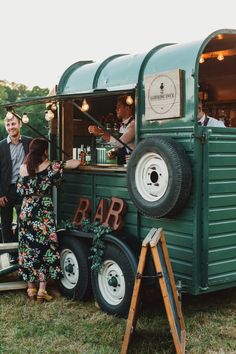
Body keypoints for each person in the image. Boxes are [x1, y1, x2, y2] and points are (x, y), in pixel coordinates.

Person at [16, 137, 81, 302]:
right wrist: (77, 158)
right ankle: (42, 290)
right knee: (45, 248)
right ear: (44, 151)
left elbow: (19, 190)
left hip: (27, 209)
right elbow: (75, 164)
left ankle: (31, 287)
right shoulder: (51, 166)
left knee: (27, 248)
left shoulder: (24, 168)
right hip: (43, 210)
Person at [0, 114, 32, 244]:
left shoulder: (29, 142)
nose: (10, 127)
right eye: (8, 125)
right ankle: (9, 253)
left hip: (24, 189)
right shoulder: (1, 146)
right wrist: (0, 193)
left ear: (20, 124)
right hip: (6, 191)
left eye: (13, 124)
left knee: (23, 222)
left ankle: (20, 250)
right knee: (6, 224)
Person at [88, 95, 135, 164]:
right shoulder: (122, 127)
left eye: (119, 107)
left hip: (134, 162)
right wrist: (115, 152)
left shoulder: (134, 125)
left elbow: (120, 143)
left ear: (127, 109)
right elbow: (122, 147)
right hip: (125, 162)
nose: (116, 110)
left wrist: (101, 133)